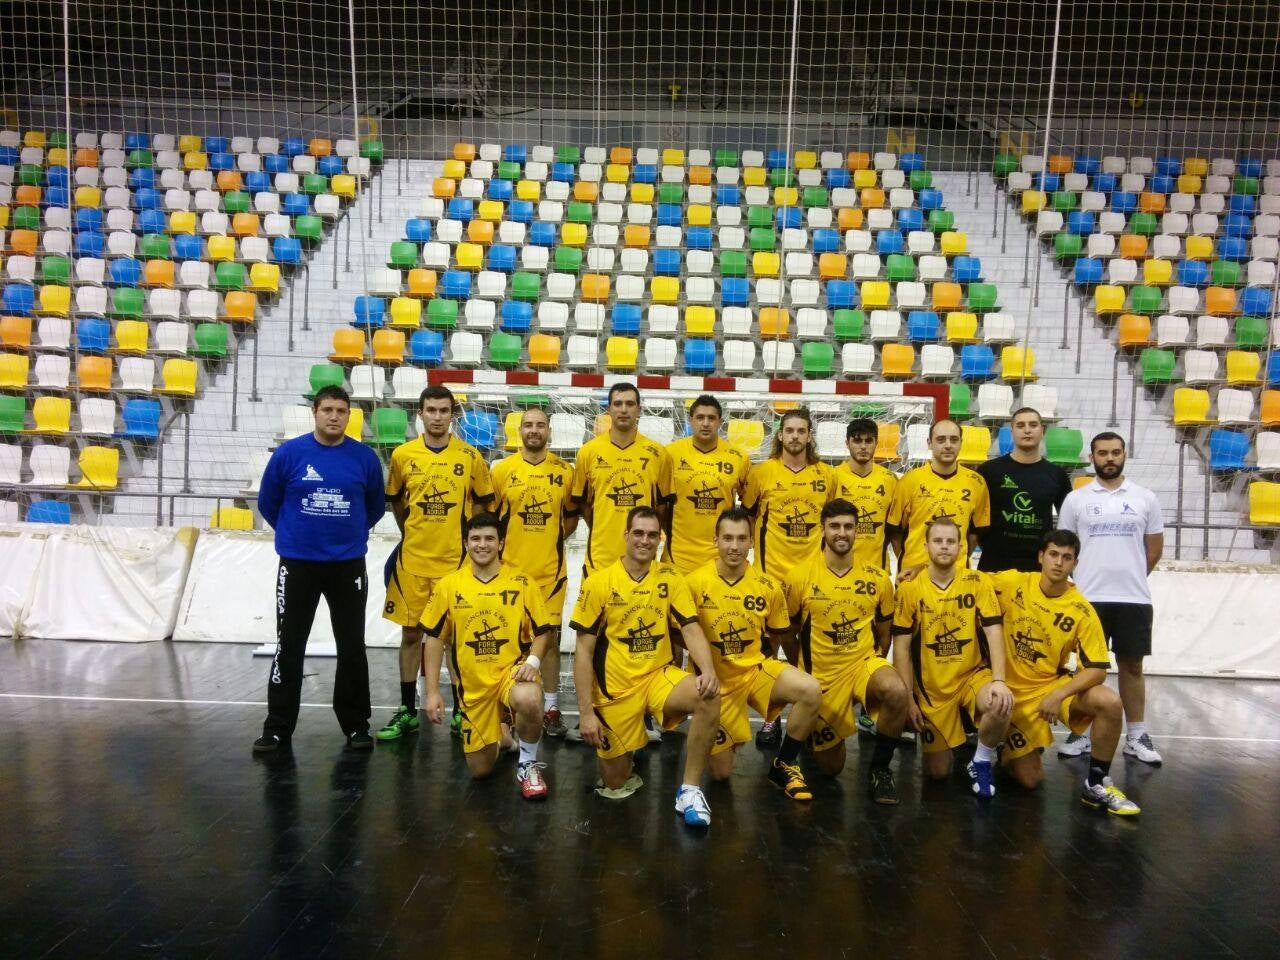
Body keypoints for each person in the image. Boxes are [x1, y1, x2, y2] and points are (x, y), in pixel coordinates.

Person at [569, 507, 723, 827]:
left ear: (659, 539)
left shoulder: (669, 577)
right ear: (626, 536)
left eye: (652, 534)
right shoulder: (599, 582)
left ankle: (690, 790)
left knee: (708, 695)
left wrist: (707, 670)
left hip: (657, 676)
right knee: (614, 783)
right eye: (638, 533)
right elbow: (583, 652)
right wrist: (585, 713)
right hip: (615, 689)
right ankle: (630, 742)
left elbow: (691, 628)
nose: (645, 540)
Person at [253, 385, 385, 753]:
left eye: (341, 411)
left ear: (349, 416)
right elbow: (268, 502)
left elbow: (374, 507)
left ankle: (357, 725)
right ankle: (277, 727)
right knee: (289, 646)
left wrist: (345, 536)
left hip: (347, 565)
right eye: (327, 409)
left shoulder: (364, 459)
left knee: (352, 647)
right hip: (298, 565)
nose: (334, 416)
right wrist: (298, 536)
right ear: (315, 411)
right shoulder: (290, 454)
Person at [990, 530, 1140, 816]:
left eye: (1067, 557)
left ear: (1075, 563)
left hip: (1048, 686)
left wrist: (1058, 694)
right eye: (1053, 555)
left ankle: (1096, 783)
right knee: (1029, 778)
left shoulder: (1081, 609)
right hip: (1007, 689)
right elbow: (965, 581)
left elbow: (1097, 668)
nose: (1059, 563)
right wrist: (919, 568)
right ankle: (1003, 745)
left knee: (1109, 702)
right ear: (1041, 557)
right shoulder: (1013, 582)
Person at [377, 385, 495, 742]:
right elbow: (397, 503)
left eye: (445, 411)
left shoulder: (470, 457)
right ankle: (407, 710)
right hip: (412, 563)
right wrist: (412, 534)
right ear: (421, 414)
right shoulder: (402, 455)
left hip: (454, 566)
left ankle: (462, 712)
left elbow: (485, 506)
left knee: (454, 639)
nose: (438, 417)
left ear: (452, 415)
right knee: (411, 634)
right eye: (431, 410)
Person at [781, 499, 912, 804]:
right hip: (822, 678)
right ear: (822, 530)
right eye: (835, 526)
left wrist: (878, 660)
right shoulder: (799, 577)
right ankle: (814, 730)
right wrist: (800, 671)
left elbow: (884, 630)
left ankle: (880, 769)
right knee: (830, 769)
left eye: (848, 527)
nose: (842, 533)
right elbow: (789, 633)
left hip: (861, 665)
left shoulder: (877, 579)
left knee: (895, 690)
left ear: (857, 531)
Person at [688, 507, 823, 801]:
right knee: (722, 774)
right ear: (715, 541)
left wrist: (782, 665)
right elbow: (681, 633)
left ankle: (784, 763)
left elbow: (777, 634)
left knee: (810, 690)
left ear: (751, 542)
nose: (734, 546)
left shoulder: (767, 586)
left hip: (754, 673)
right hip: (717, 685)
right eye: (727, 538)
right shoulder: (694, 583)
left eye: (741, 539)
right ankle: (724, 730)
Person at [421, 514, 553, 799]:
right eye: (476, 539)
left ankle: (528, 763)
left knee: (529, 697)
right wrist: (431, 692)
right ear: (466, 543)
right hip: (473, 688)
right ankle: (504, 736)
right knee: (480, 771)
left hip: (511, 674)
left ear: (501, 543)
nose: (483, 545)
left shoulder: (522, 582)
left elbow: (544, 631)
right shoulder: (449, 585)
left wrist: (532, 662)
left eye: (490, 539)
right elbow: (433, 639)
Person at [1056, 432, 1165, 766]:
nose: (1109, 458)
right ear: (1092, 457)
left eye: (1115, 452)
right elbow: (1065, 548)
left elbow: (1154, 549)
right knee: (1089, 669)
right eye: (1102, 453)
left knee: (1132, 666)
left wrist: (1128, 575)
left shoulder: (1145, 498)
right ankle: (1083, 734)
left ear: (1124, 455)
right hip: (1088, 599)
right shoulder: (1076, 500)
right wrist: (1086, 580)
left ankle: (1136, 736)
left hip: (1134, 598)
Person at [891, 517, 1011, 798]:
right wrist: (908, 699)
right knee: (938, 773)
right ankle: (960, 743)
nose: (944, 547)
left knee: (1000, 702)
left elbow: (994, 633)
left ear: (961, 548)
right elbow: (901, 649)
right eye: (938, 541)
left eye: (950, 542)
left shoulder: (977, 581)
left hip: (972, 676)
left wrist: (999, 680)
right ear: (926, 545)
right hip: (932, 690)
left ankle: (981, 759)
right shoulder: (909, 588)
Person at [741, 407, 836, 746]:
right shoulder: (763, 472)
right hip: (771, 577)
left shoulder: (827, 475)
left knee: (802, 650)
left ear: (809, 436)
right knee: (767, 651)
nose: (795, 436)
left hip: (809, 579)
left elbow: (833, 522)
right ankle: (770, 719)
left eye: (801, 431)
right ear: (780, 436)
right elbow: (749, 519)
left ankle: (805, 713)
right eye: (789, 430)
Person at [489, 407, 579, 738]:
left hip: (549, 574)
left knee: (550, 641)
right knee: (510, 642)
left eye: (540, 425)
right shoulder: (502, 471)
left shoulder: (564, 471)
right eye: (528, 424)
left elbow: (569, 520)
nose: (534, 430)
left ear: (549, 430)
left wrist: (548, 540)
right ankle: (507, 709)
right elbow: (493, 522)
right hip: (510, 575)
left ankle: (552, 708)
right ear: (519, 430)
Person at [571, 382, 671, 577]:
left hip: (643, 561)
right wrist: (603, 524)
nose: (623, 409)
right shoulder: (588, 452)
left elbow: (662, 507)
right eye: (617, 404)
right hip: (599, 560)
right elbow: (584, 504)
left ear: (639, 409)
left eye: (630, 404)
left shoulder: (658, 454)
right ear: (608, 409)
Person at [888, 418, 990, 579]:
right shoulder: (909, 481)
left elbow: (977, 531)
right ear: (929, 443)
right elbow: (895, 532)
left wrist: (955, 558)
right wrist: (913, 560)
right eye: (941, 439)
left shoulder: (976, 482)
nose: (948, 445)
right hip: (912, 577)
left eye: (954, 439)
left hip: (957, 576)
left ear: (961, 443)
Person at [660, 394, 751, 574]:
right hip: (678, 558)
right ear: (690, 420)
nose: (706, 423)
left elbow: (749, 509)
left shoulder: (739, 458)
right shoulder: (669, 454)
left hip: (720, 560)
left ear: (720, 422)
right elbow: (659, 504)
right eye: (700, 417)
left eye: (711, 418)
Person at [976, 407, 1072, 572]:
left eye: (1033, 425)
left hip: (1037, 567)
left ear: (1042, 431)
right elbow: (975, 519)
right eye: (1020, 425)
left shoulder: (1057, 475)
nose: (1027, 430)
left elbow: (1068, 524)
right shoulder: (988, 471)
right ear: (1012, 431)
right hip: (994, 564)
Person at [834, 418, 898, 570]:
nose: (863, 446)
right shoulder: (832, 477)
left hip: (877, 570)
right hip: (837, 569)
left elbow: (895, 530)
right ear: (847, 443)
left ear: (876, 444)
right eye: (857, 441)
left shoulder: (890, 480)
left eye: (868, 441)